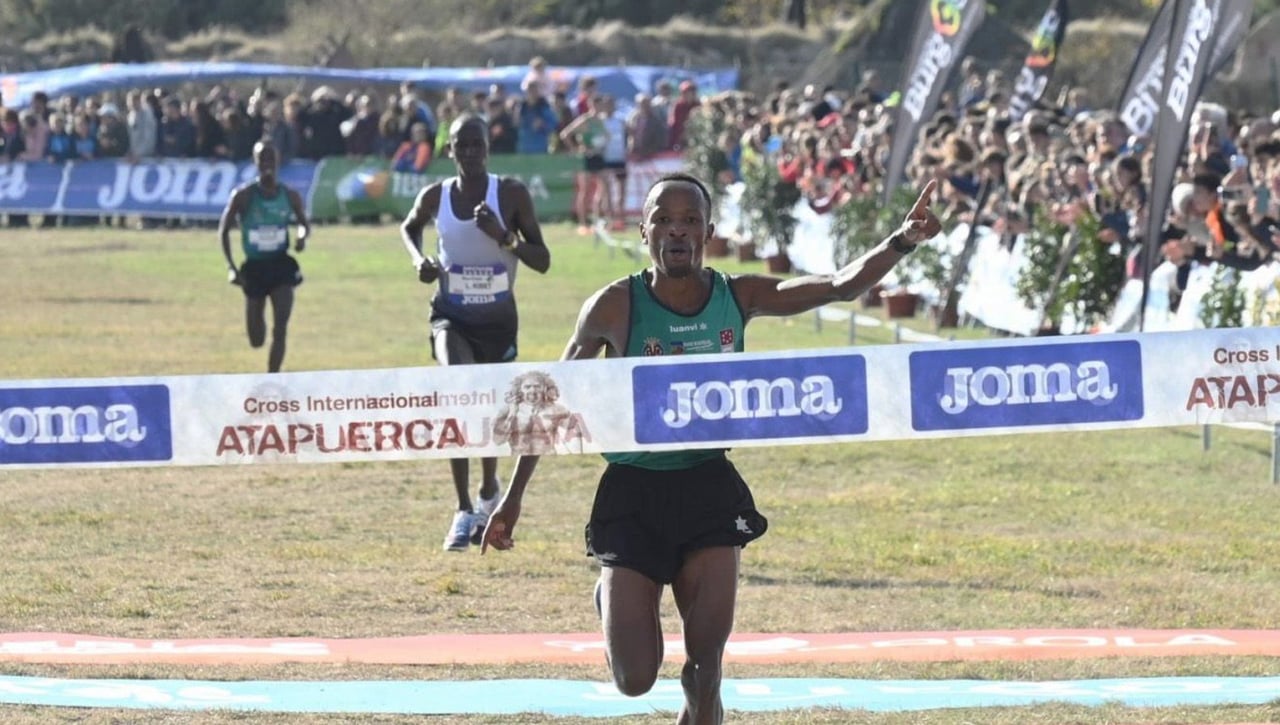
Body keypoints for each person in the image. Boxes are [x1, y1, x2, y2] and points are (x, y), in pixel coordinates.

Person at [482, 173, 943, 725]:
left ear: (709, 232)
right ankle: (613, 599)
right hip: (633, 494)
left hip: (708, 487)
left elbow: (839, 286)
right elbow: (550, 405)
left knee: (705, 671)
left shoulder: (738, 296)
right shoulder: (612, 308)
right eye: (664, 220)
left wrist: (903, 240)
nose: (677, 231)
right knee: (634, 680)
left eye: (690, 221)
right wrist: (512, 500)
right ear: (643, 230)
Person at [399, 115, 551, 552]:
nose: (469, 153)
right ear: (449, 151)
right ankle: (463, 509)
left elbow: (542, 259)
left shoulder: (511, 194)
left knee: (485, 407)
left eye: (476, 144)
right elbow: (409, 228)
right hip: (451, 315)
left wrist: (504, 237)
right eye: (460, 146)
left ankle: (488, 490)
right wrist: (419, 260)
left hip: (499, 323)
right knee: (458, 390)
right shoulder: (436, 195)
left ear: (488, 147)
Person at [218, 141, 311, 373]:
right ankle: (258, 328)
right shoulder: (243, 196)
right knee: (256, 339)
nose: (267, 163)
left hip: (281, 266)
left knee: (280, 329)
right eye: (262, 159)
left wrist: (301, 237)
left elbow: (304, 224)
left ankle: (273, 379)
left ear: (279, 162)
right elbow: (224, 230)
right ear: (256, 162)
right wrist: (231, 267)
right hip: (254, 269)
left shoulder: (289, 195)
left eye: (271, 158)